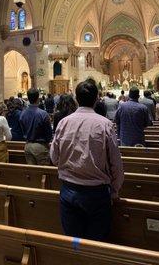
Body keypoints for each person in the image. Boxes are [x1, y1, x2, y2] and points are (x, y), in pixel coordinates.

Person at [50, 81, 124, 241]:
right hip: (97, 193)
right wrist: (115, 190)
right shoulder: (105, 124)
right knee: (96, 245)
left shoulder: (64, 123)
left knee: (74, 243)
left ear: (76, 98)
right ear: (97, 98)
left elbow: (54, 157)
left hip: (69, 190)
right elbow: (116, 164)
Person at [20, 88, 52, 165]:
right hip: (40, 146)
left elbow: (23, 130)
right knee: (44, 173)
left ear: (28, 98)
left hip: (27, 146)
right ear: (38, 98)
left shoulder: (23, 113)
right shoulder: (43, 114)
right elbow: (49, 132)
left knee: (32, 174)